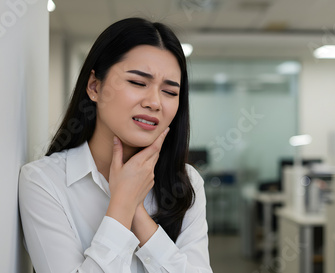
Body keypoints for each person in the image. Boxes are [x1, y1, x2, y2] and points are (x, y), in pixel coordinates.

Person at [19, 18, 212, 273]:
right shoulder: (44, 181)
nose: (154, 102)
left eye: (170, 92)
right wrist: (122, 204)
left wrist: (138, 215)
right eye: (137, 83)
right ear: (94, 86)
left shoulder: (187, 183)